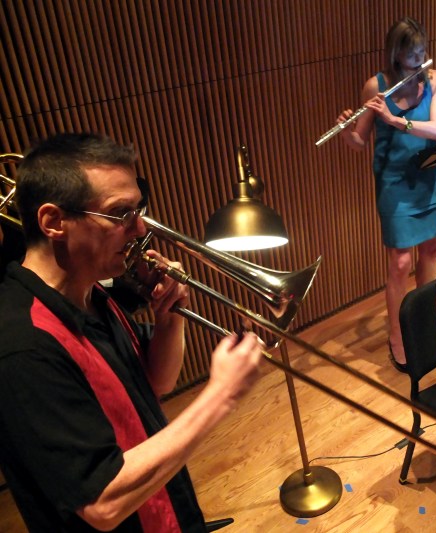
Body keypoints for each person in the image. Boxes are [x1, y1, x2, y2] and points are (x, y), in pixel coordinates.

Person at [0, 133, 265, 532]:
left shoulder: (92, 292)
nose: (140, 228)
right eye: (120, 213)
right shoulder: (23, 344)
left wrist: (169, 317)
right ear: (54, 222)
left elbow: (155, 383)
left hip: (167, 509)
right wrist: (221, 395)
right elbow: (103, 502)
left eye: (138, 210)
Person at [336, 16, 436, 371]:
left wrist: (396, 119)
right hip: (394, 182)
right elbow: (358, 142)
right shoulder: (376, 86)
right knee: (399, 263)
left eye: (422, 52)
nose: (420, 59)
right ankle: (398, 334)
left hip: (429, 176)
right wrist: (344, 131)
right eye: (412, 54)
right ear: (397, 54)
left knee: (431, 250)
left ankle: (426, 321)